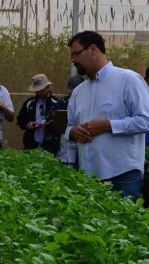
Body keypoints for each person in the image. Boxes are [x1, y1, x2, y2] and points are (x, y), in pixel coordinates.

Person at [65, 30, 149, 200]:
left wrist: (107, 125)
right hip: (88, 178)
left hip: (122, 176)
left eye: (76, 54)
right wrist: (74, 132)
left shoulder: (129, 80)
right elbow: (69, 127)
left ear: (93, 49)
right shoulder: (78, 92)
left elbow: (145, 121)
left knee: (124, 226)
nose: (73, 60)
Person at [17, 74, 59, 154]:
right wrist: (28, 124)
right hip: (31, 146)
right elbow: (20, 120)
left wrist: (47, 126)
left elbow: (60, 125)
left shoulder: (56, 103)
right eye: (37, 91)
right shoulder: (29, 103)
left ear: (47, 87)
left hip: (49, 148)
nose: (39, 93)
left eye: (41, 90)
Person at [54, 75, 84, 168]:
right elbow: (53, 122)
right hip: (62, 150)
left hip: (79, 151)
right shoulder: (61, 103)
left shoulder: (86, 104)